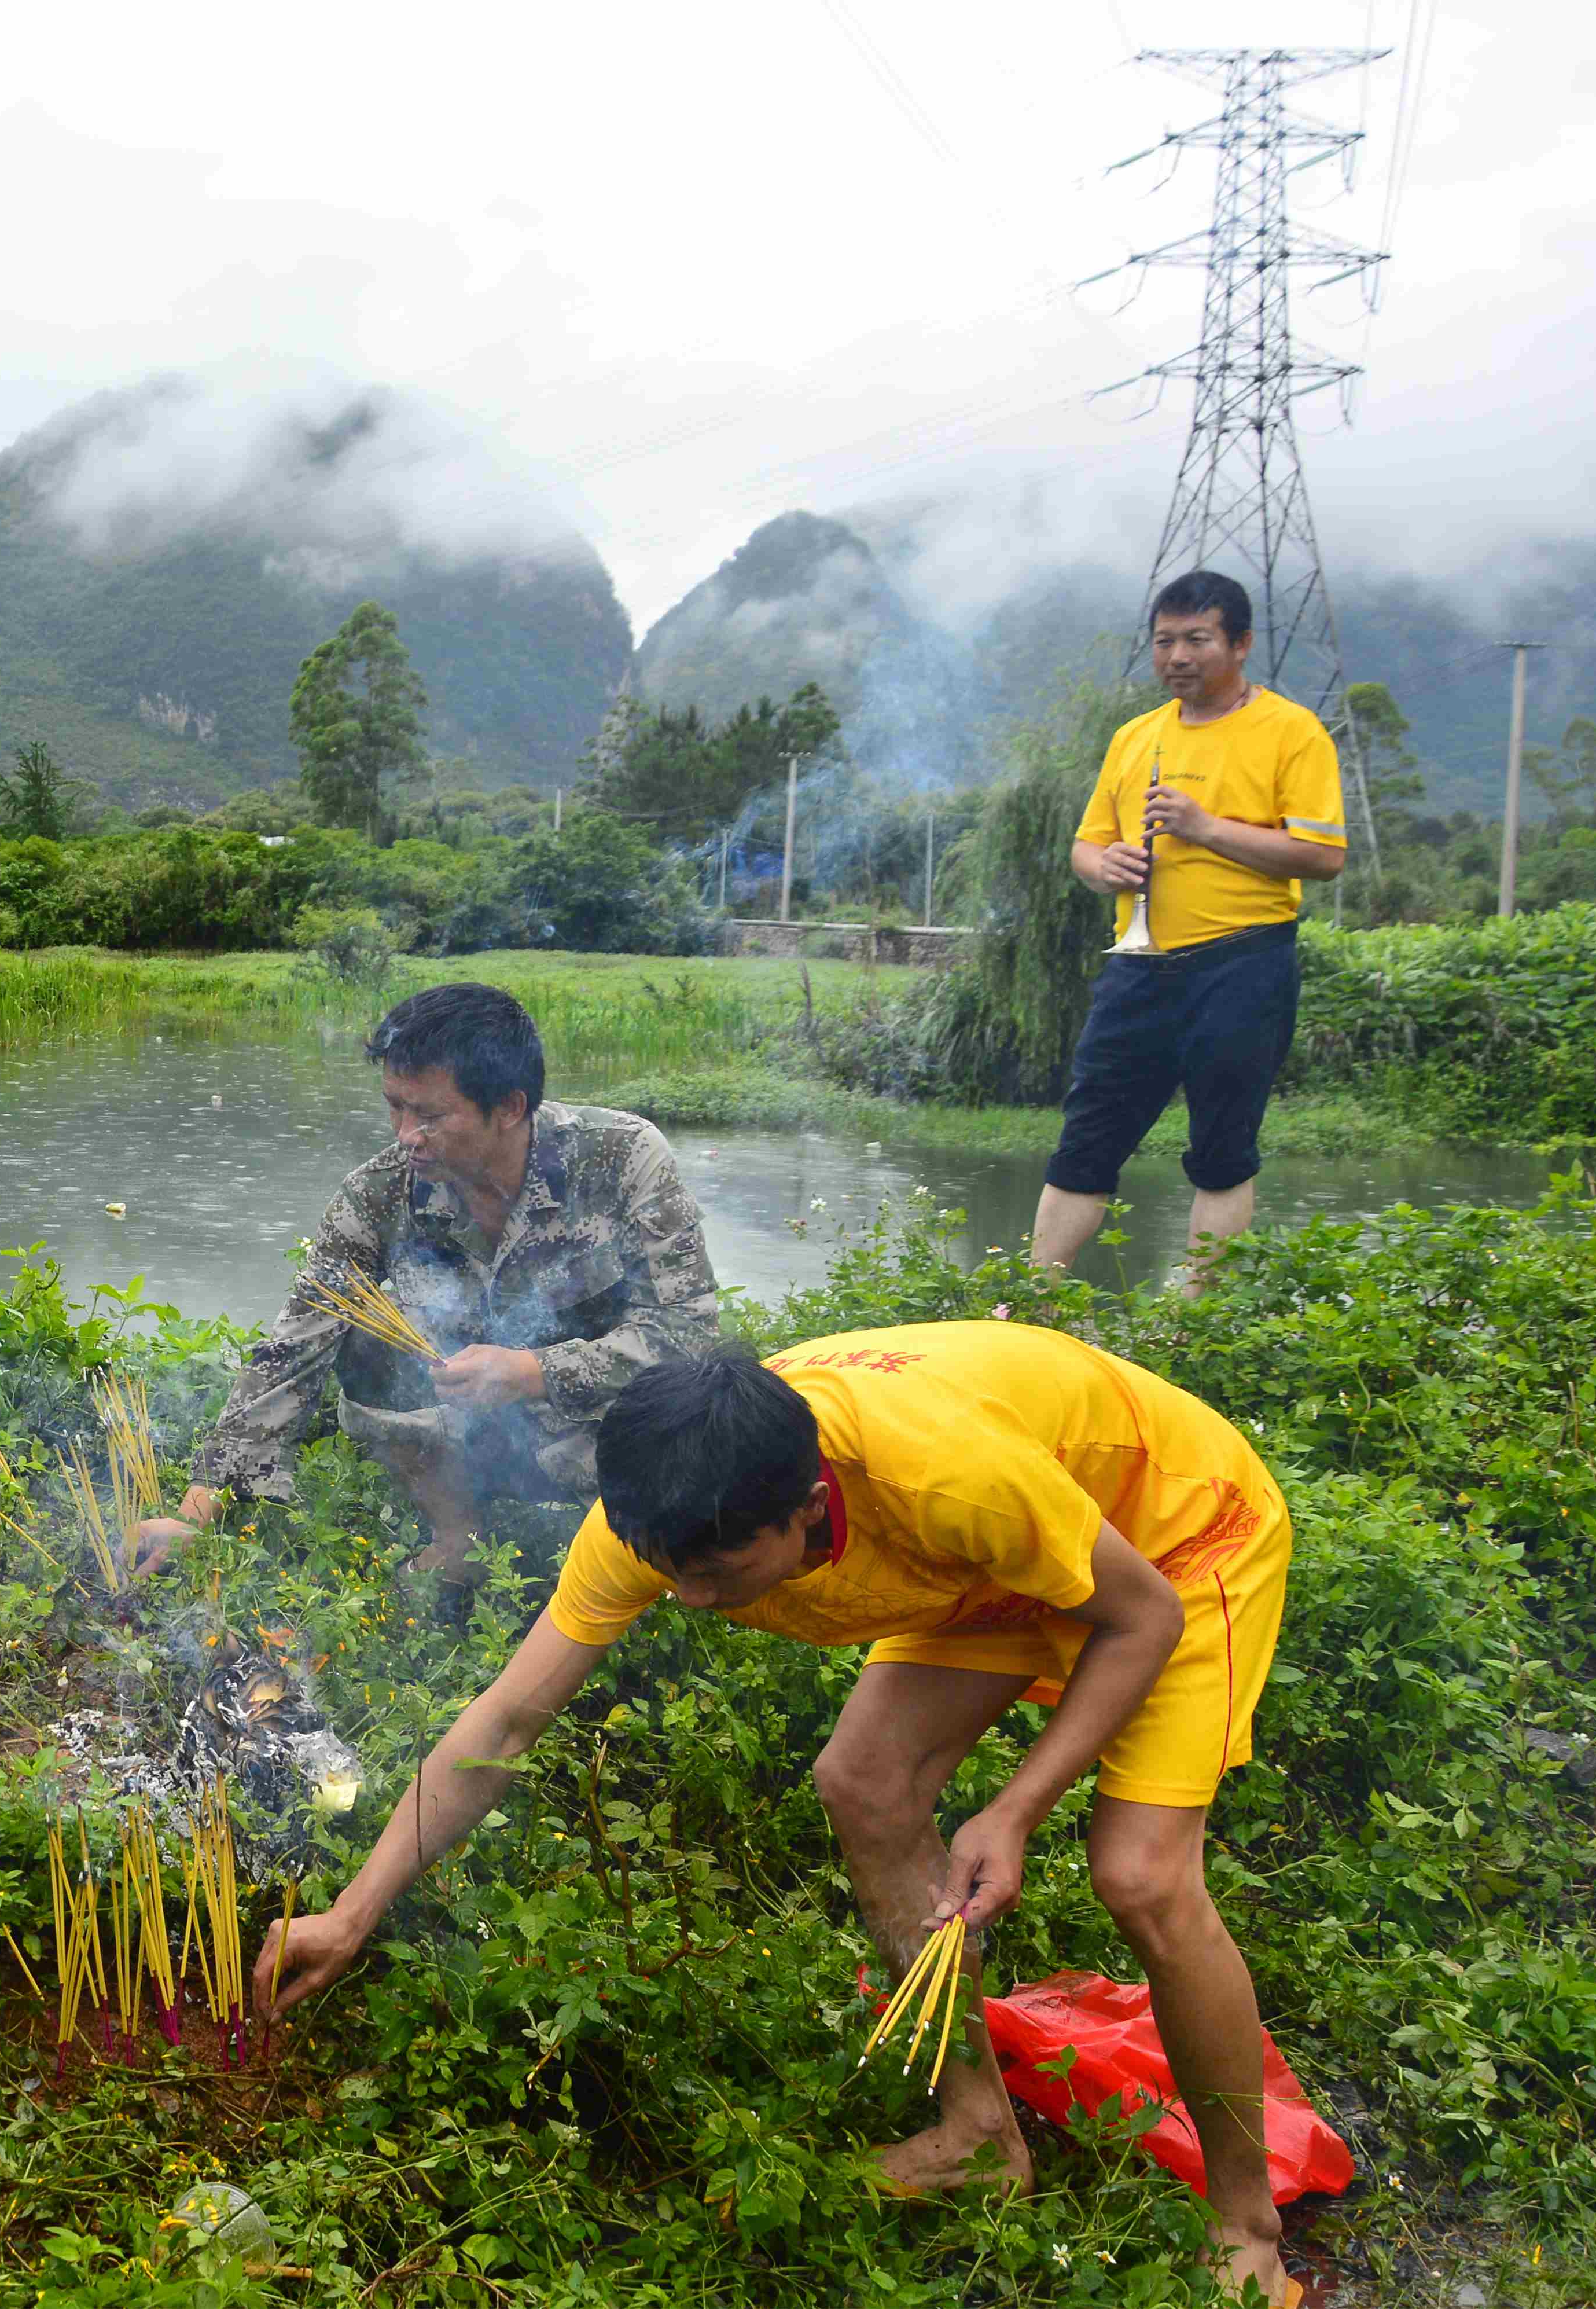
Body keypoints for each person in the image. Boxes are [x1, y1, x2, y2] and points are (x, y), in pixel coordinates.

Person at [256, 1327, 1300, 2306]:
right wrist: (351, 1913)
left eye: (717, 1572)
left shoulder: (938, 1472)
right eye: (675, 1571)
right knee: (865, 1782)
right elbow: (508, 1718)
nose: (695, 1600)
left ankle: (1246, 2224)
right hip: (996, 1566)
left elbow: (1139, 1616)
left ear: (807, 1504)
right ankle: (980, 2134)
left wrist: (1018, 1807)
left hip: (1172, 1533)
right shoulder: (657, 1519)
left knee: (1140, 1874)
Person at [139, 982, 720, 1614]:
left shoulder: (623, 1157)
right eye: (395, 1107)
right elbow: (294, 1345)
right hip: (466, 1436)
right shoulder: (382, 1191)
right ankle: (457, 1536)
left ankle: (629, 1551)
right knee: (362, 1338)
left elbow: (688, 1334)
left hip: (602, 1435)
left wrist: (532, 1372)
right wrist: (198, 1511)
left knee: (680, 1475)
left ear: (509, 1107)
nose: (406, 1135)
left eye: (431, 1116)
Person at [1034, 570, 1345, 1286]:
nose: (1178, 655)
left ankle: (1197, 1314)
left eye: (1197, 639)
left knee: (1223, 1144)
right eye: (1164, 641)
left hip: (1244, 962)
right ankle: (1030, 1300)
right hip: (1138, 968)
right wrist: (1102, 865)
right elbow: (1086, 844)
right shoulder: (1134, 736)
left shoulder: (1292, 730)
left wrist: (1205, 828)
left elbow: (1323, 856)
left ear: (1239, 644)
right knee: (1086, 1139)